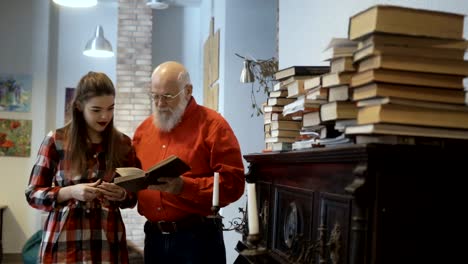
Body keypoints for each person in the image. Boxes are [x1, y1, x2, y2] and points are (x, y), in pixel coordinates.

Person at [133, 61, 245, 264]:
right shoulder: (143, 130)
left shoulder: (213, 126)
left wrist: (184, 187)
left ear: (188, 91)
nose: (159, 103)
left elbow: (234, 184)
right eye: (155, 96)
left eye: (167, 96)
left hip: (197, 239)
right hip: (153, 238)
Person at [25, 71, 138, 263]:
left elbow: (132, 197)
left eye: (111, 108)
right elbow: (33, 194)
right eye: (96, 110)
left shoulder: (123, 144)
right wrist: (70, 192)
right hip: (64, 246)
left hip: (107, 246)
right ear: (79, 107)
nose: (105, 116)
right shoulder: (56, 140)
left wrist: (121, 195)